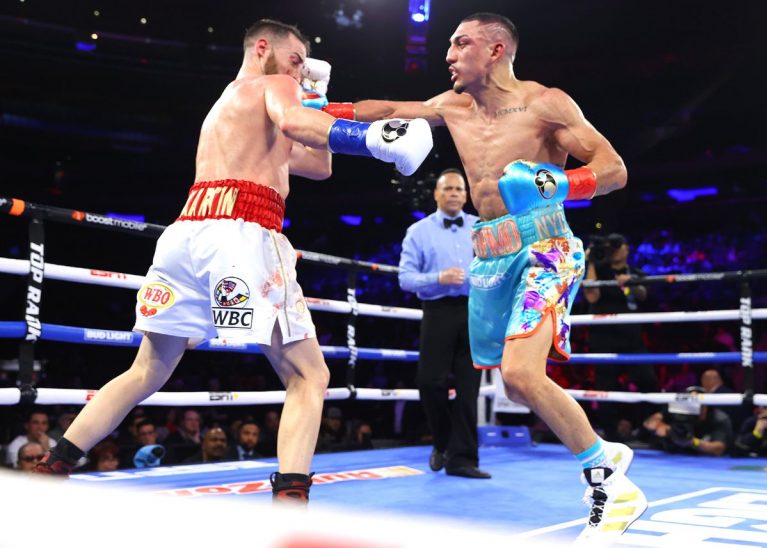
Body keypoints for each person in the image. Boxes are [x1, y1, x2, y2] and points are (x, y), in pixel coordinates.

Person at [33, 18, 433, 506]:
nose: (299, 70)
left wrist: (318, 95)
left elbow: (317, 164)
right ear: (262, 47)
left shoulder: (228, 106)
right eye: (295, 60)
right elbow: (295, 123)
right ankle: (291, 498)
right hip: (243, 232)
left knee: (148, 370)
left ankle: (53, 464)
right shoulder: (273, 85)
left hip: (186, 235)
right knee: (309, 376)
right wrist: (373, 137)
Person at [312, 11, 646, 539]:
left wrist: (556, 183)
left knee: (521, 374)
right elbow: (390, 110)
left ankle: (610, 484)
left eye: (460, 43)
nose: (448, 55)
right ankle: (604, 452)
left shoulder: (545, 103)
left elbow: (614, 169)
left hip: (544, 244)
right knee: (513, 382)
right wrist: (318, 110)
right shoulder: (452, 106)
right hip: (489, 253)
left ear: (495, 50)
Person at [398, 168, 489, 479]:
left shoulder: (481, 227)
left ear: (466, 195)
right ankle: (443, 442)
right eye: (447, 188)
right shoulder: (418, 231)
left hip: (475, 310)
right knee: (429, 382)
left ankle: (463, 460)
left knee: (468, 387)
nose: (453, 193)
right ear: (436, 194)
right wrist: (438, 278)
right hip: (437, 310)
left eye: (459, 189)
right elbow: (405, 278)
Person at [582, 233, 657, 439]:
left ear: (626, 248)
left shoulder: (635, 273)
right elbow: (592, 296)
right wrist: (591, 261)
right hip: (603, 338)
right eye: (610, 247)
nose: (614, 250)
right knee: (605, 388)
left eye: (617, 245)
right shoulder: (598, 272)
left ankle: (648, 429)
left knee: (648, 381)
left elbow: (643, 294)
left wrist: (630, 284)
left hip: (631, 337)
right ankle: (611, 435)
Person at [641, 386, 732, 456]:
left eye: (697, 404)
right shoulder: (677, 411)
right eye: (690, 404)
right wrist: (662, 427)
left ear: (706, 405)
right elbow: (649, 422)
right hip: (672, 458)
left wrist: (692, 442)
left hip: (703, 462)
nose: (694, 407)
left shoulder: (718, 418)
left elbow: (719, 449)